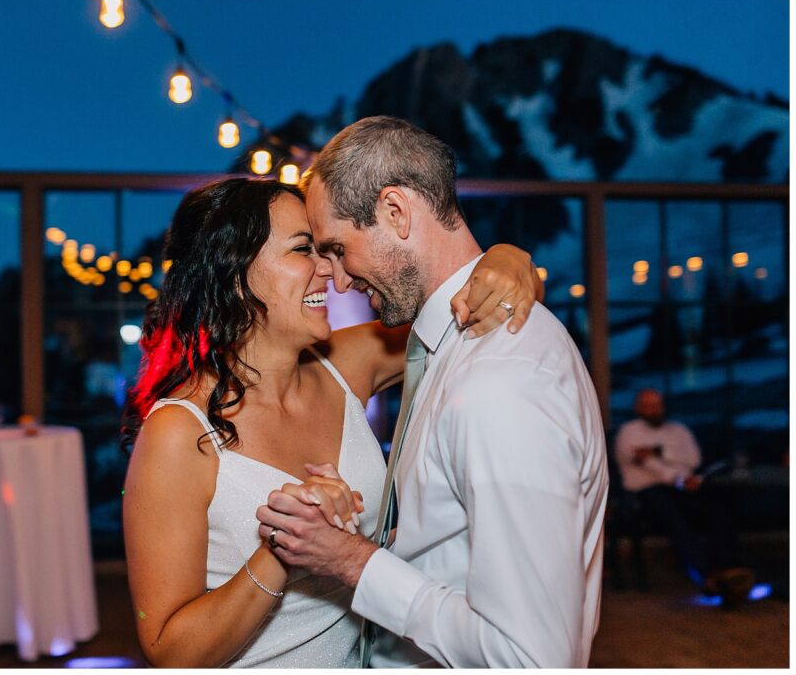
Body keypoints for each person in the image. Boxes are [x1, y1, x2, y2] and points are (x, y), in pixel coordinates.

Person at [121, 177, 543, 667]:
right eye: (305, 250)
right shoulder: (178, 432)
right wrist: (285, 547)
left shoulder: (345, 365)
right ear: (235, 274)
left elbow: (473, 306)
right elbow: (169, 653)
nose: (330, 271)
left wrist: (509, 259)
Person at [256, 116, 609, 668]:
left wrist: (353, 561)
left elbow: (530, 660)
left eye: (339, 248)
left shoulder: (500, 383)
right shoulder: (444, 344)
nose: (339, 280)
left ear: (395, 212)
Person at [614, 388, 753, 606]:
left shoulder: (678, 430)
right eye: (647, 404)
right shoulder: (629, 432)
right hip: (646, 491)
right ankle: (708, 577)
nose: (653, 409)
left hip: (684, 487)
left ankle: (728, 568)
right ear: (638, 407)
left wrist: (659, 451)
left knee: (718, 505)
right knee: (675, 517)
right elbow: (649, 466)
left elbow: (693, 459)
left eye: (657, 404)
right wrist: (677, 476)